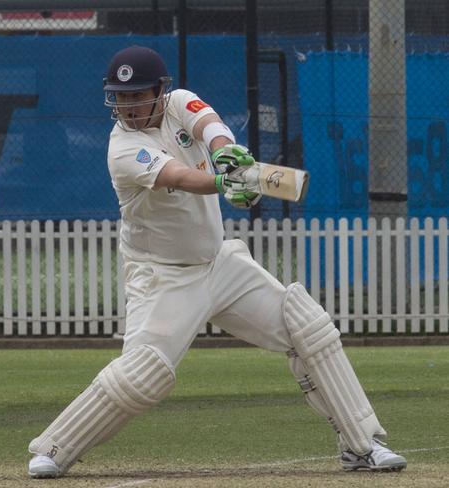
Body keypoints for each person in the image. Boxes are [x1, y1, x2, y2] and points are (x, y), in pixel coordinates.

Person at [26, 45, 407, 478]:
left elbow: (210, 125)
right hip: (163, 278)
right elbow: (181, 177)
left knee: (307, 326)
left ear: (159, 90)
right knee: (141, 375)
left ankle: (363, 445)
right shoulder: (123, 149)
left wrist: (230, 155)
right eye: (121, 97)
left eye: (137, 96)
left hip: (220, 264)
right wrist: (228, 181)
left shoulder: (179, 101)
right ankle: (54, 449)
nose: (129, 107)